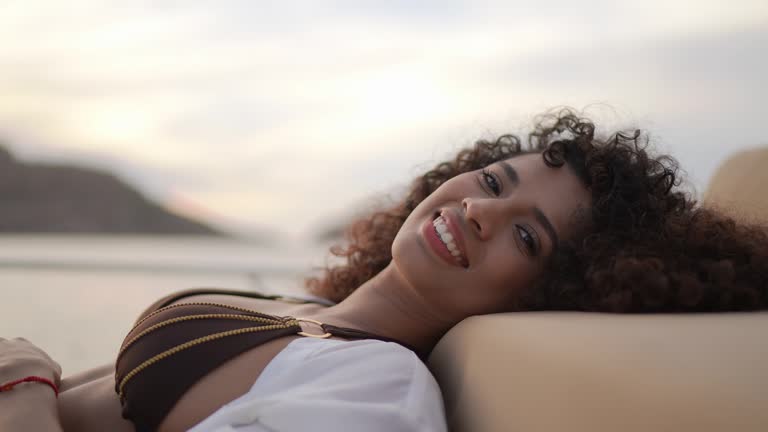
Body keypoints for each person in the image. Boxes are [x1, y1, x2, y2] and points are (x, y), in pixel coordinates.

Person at [2, 109, 767, 432]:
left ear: (555, 292)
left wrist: (24, 390)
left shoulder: (379, 394)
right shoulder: (304, 304)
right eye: (495, 181)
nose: (479, 212)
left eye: (527, 239)